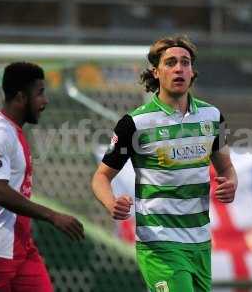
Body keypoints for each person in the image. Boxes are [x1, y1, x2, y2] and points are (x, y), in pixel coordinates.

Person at [91, 36, 237, 292]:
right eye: (170, 63)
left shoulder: (212, 117)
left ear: (192, 72)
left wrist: (231, 183)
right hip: (159, 242)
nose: (179, 68)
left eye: (185, 62)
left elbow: (226, 168)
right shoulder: (135, 123)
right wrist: (111, 202)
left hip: (200, 241)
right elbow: (101, 177)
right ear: (156, 72)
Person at [0, 62, 84, 292]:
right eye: (40, 93)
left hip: (20, 246)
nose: (45, 101)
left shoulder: (14, 131)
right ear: (20, 98)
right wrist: (52, 215)